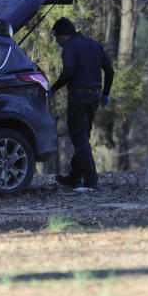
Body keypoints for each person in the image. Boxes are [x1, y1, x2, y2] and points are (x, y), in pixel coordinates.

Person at [50, 17, 114, 191]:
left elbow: (69, 71)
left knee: (79, 139)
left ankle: (91, 181)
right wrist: (105, 94)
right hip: (94, 97)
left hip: (78, 96)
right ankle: (74, 178)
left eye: (57, 38)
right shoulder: (94, 45)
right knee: (83, 137)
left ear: (64, 35)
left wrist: (53, 88)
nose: (58, 43)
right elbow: (109, 70)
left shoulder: (70, 46)